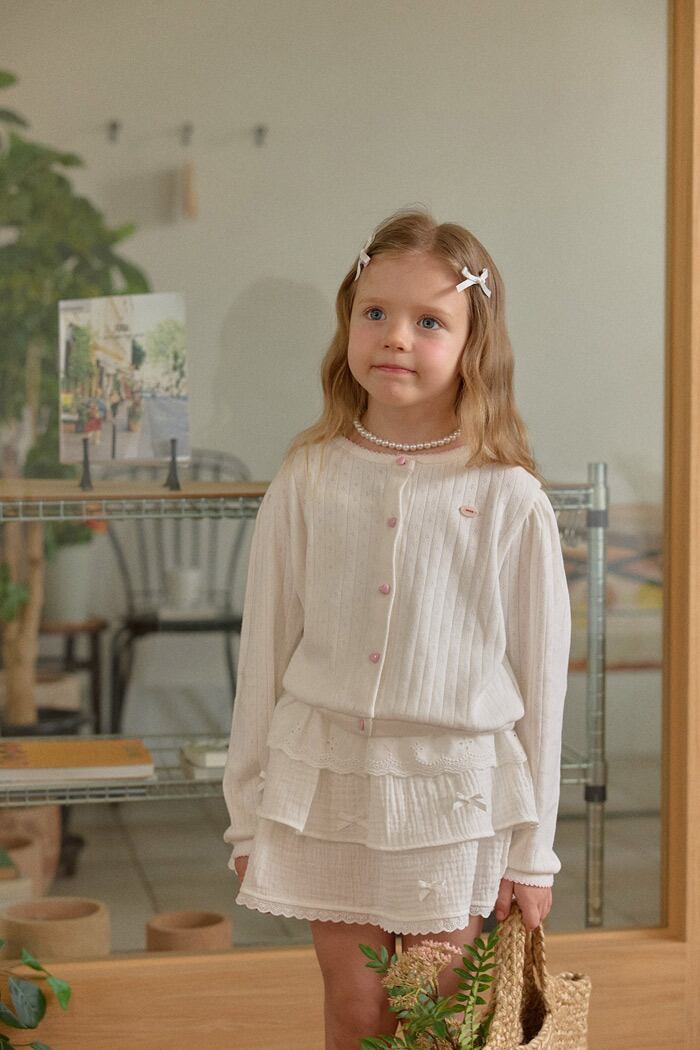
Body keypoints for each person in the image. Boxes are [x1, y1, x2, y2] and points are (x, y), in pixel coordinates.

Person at [222, 206, 572, 1047]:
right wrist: (247, 810)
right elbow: (262, 652)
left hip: (453, 793)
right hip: (327, 783)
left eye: (429, 321)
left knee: (437, 1016)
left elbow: (543, 681)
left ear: (474, 343)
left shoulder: (508, 495)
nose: (395, 337)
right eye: (375, 312)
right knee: (356, 1011)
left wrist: (534, 851)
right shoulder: (309, 476)